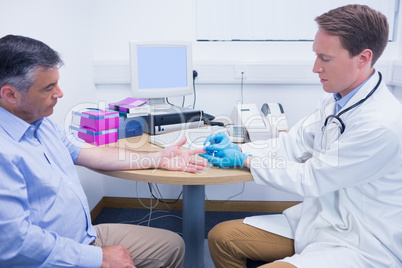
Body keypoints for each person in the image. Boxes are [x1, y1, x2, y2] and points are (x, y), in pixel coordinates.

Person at [201, 4, 402, 268]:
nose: (315, 68)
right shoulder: (334, 102)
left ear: (363, 58)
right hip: (320, 220)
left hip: (361, 241)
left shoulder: (382, 124)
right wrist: (243, 151)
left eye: (325, 58)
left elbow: (311, 178)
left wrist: (245, 160)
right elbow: (291, 144)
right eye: (316, 55)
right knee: (221, 238)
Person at [0, 34, 207, 268]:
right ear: (10, 95)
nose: (60, 93)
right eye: (49, 87)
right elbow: (14, 244)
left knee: (172, 245)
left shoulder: (40, 122)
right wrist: (97, 258)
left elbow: (92, 153)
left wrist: (158, 157)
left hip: (84, 237)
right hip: (48, 258)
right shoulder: (5, 152)